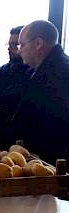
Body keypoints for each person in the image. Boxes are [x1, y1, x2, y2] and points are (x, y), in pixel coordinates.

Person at [12, 20, 69, 166]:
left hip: (55, 166)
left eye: (22, 45)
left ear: (38, 43)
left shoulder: (59, 74)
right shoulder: (47, 69)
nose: (18, 51)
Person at [0, 26, 33, 150]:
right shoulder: (3, 70)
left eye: (15, 45)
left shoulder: (34, 71)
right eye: (9, 44)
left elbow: (26, 104)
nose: (10, 49)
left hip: (23, 138)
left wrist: (5, 95)